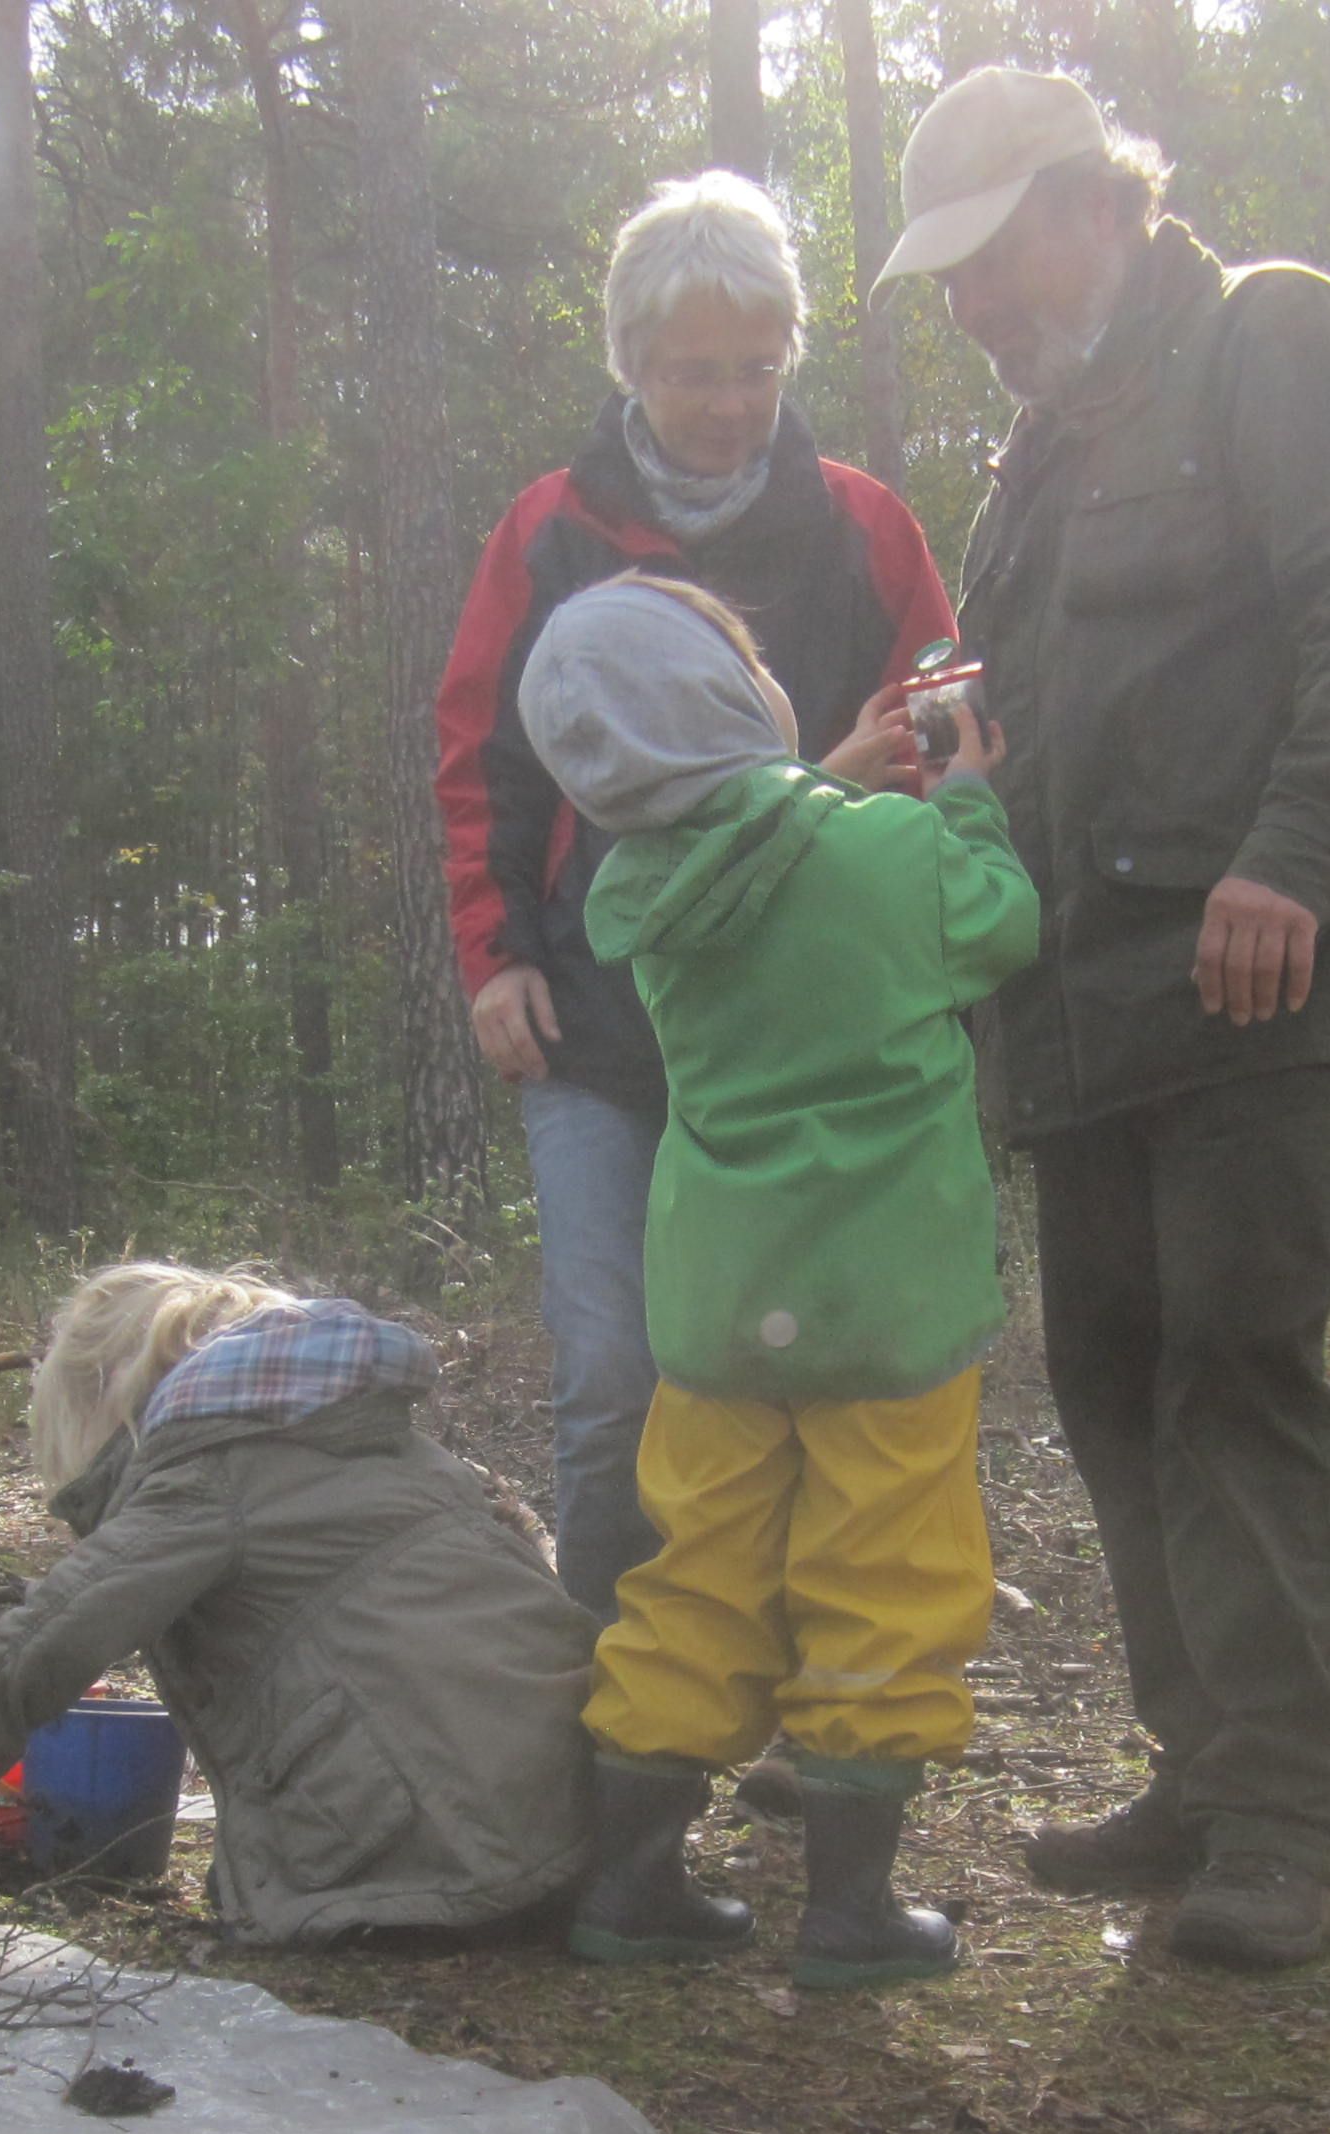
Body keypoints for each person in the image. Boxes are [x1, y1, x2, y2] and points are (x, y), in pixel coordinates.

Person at [872, 68, 1330, 1972]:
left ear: (1094, 203)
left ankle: (1288, 1822)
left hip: (1257, 976)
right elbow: (1050, 715)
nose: (965, 304)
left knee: (1238, 1372)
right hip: (1080, 1002)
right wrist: (946, 765)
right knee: (1116, 1381)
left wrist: (1292, 856)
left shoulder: (1275, 340)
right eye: (944, 277)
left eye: (983, 259)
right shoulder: (1039, 451)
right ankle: (1203, 1773)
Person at [437, 170, 956, 1625]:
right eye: (692, 374)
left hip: (809, 1042)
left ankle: (794, 1697)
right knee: (613, 1376)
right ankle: (603, 1727)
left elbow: (944, 735)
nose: (730, 402)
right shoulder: (549, 530)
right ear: (631, 367)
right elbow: (485, 761)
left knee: (800, 1368)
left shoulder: (862, 526)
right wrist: (495, 959)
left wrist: (843, 784)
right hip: (601, 1028)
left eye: (757, 368)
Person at [516, 576, 1039, 1986]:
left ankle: (632, 1885)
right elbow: (997, 925)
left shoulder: (644, 896)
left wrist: (823, 783)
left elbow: (747, 853)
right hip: (888, 1299)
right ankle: (851, 1913)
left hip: (718, 1307)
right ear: (740, 702)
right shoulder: (891, 853)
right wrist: (969, 794)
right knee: (887, 1573)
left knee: (696, 1576)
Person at [0, 1265, 598, 1947]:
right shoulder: (389, 1447)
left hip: (430, 1857)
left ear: (109, 1414)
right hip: (578, 1831)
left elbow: (59, 1627)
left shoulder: (209, 1473)